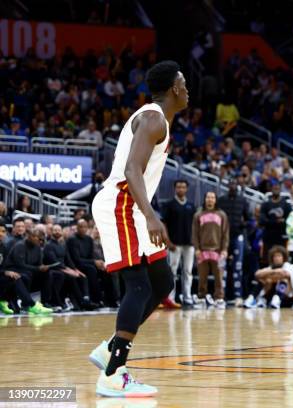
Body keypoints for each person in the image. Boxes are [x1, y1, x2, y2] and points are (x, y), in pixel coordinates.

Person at [89, 61, 188, 397]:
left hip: (132, 207)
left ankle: (110, 348)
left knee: (163, 282)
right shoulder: (153, 118)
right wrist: (150, 215)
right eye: (184, 83)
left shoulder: (158, 119)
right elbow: (132, 170)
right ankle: (114, 374)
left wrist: (147, 214)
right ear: (175, 87)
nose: (187, 89)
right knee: (140, 287)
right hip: (122, 205)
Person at [0, 229, 53, 315]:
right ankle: (30, 305)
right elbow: (20, 265)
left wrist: (42, 267)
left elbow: (38, 264)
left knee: (47, 273)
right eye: (39, 239)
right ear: (30, 236)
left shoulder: (38, 247)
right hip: (14, 271)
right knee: (22, 275)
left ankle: (45, 302)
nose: (41, 241)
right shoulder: (19, 246)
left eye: (42, 239)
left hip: (22, 273)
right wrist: (5, 272)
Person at [217, 178, 251, 307]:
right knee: (221, 268)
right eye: (230, 184)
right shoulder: (221, 200)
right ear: (227, 186)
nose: (232, 186)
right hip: (222, 238)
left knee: (238, 268)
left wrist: (243, 225)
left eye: (234, 184)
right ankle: (221, 296)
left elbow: (250, 220)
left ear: (237, 186)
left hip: (237, 237)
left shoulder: (242, 201)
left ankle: (238, 296)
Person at [162, 180, 196, 309]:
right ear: (175, 189)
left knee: (188, 271)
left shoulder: (191, 206)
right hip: (174, 244)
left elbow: (195, 225)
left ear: (187, 189)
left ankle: (187, 297)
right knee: (172, 271)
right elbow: (163, 224)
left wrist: (195, 241)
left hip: (189, 244)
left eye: (183, 187)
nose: (181, 189)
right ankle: (171, 298)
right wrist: (167, 241)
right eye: (178, 187)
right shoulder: (169, 205)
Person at [192, 191, 229, 309]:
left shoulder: (222, 215)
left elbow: (225, 234)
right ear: (205, 199)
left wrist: (224, 249)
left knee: (219, 277)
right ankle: (202, 298)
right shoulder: (198, 214)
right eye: (208, 197)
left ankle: (219, 298)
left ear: (215, 200)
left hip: (218, 251)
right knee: (202, 277)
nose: (210, 199)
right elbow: (194, 233)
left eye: (212, 197)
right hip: (202, 251)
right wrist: (197, 248)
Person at [66, 219, 104, 308]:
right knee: (91, 269)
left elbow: (91, 256)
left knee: (104, 271)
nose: (83, 229)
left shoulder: (89, 239)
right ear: (77, 228)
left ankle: (102, 300)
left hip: (87, 263)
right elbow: (76, 259)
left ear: (87, 228)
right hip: (75, 265)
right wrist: (94, 262)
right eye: (81, 227)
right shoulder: (72, 239)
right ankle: (93, 299)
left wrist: (98, 263)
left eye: (85, 227)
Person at [259, 182, 292, 265]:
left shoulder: (286, 205)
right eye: (274, 188)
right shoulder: (265, 205)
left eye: (277, 188)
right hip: (268, 237)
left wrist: (270, 221)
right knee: (267, 261)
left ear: (280, 189)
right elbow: (262, 221)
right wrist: (277, 221)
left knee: (282, 261)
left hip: (281, 237)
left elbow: (289, 222)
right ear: (271, 189)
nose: (276, 190)